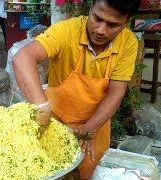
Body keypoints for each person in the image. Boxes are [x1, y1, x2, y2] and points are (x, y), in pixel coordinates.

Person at [13, 0, 141, 179]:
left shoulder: (128, 42)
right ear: (91, 8)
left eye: (113, 25)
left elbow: (115, 93)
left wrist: (90, 129)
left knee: (88, 171)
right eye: (97, 18)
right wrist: (42, 107)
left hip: (94, 126)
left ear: (126, 21)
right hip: (53, 125)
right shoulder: (67, 30)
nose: (100, 30)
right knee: (51, 170)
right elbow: (23, 58)